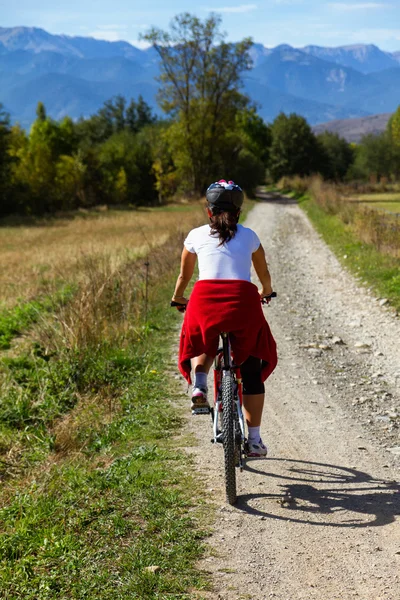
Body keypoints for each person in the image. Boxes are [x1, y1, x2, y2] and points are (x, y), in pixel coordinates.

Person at [172, 180, 277, 457]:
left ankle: (199, 385)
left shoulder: (195, 235)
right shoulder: (250, 235)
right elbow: (263, 274)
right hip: (243, 301)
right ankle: (254, 440)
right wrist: (267, 291)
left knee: (200, 338)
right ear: (239, 211)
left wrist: (178, 297)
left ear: (209, 211)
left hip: (205, 299)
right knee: (252, 362)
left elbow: (184, 277)